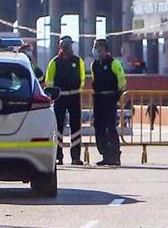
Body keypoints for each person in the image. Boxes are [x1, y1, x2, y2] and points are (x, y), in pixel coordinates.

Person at [44, 36, 88, 166]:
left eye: (68, 45)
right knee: (58, 128)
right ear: (60, 46)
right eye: (63, 45)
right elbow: (49, 80)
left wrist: (77, 89)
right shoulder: (54, 62)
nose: (66, 47)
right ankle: (58, 156)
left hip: (74, 97)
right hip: (60, 97)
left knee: (76, 128)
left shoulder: (77, 61)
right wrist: (54, 94)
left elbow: (82, 77)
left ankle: (75, 157)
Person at [89, 38, 127, 166]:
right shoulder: (94, 64)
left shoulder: (114, 63)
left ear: (104, 49)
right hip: (98, 99)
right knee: (98, 127)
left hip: (110, 98)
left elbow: (122, 81)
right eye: (95, 47)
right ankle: (105, 155)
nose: (96, 50)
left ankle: (115, 156)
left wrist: (117, 96)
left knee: (110, 127)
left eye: (98, 48)